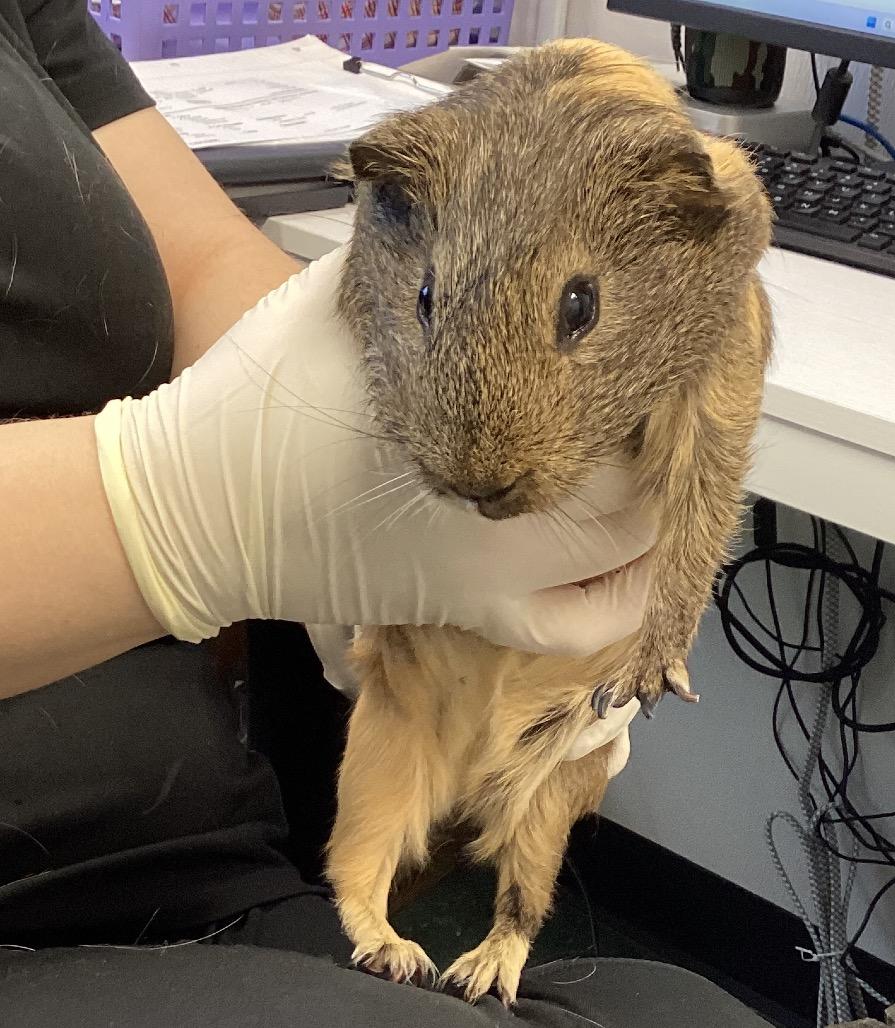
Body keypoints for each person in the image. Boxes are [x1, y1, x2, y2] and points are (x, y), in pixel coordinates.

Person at [0, 1, 780, 1024]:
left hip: (184, 843)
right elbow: (196, 489)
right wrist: (171, 511)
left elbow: (187, 261)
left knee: (683, 1010)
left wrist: (325, 434)